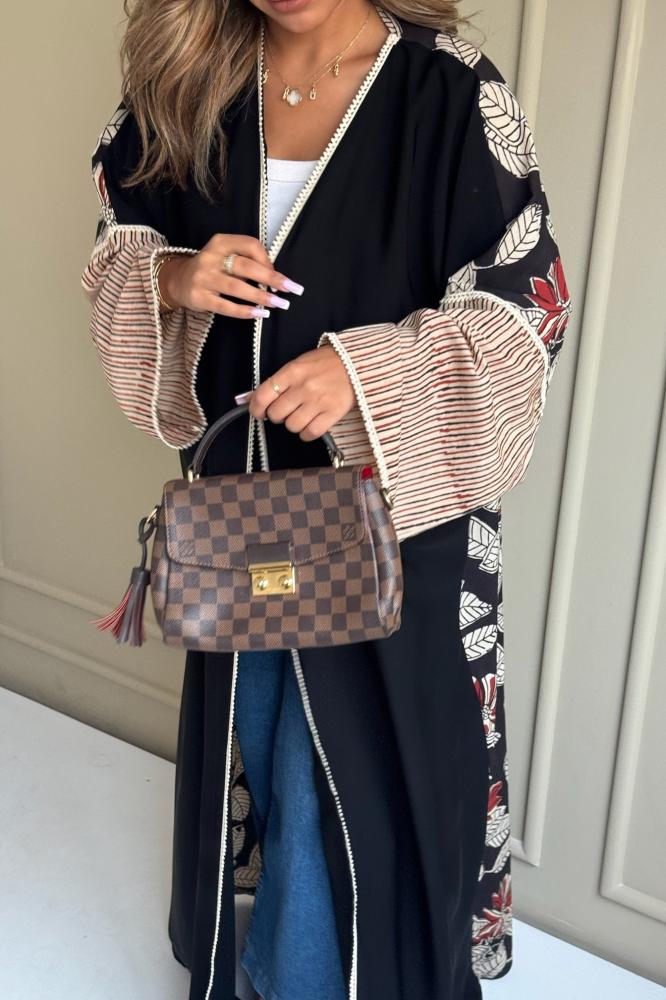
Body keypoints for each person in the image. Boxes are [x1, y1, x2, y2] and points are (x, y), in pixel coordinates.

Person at [80, 1, 572, 999]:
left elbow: (526, 307)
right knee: (263, 738)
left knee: (362, 770)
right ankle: (273, 965)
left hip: (397, 520)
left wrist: (366, 372)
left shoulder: (448, 88)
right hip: (243, 516)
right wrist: (176, 278)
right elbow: (115, 246)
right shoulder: (191, 77)